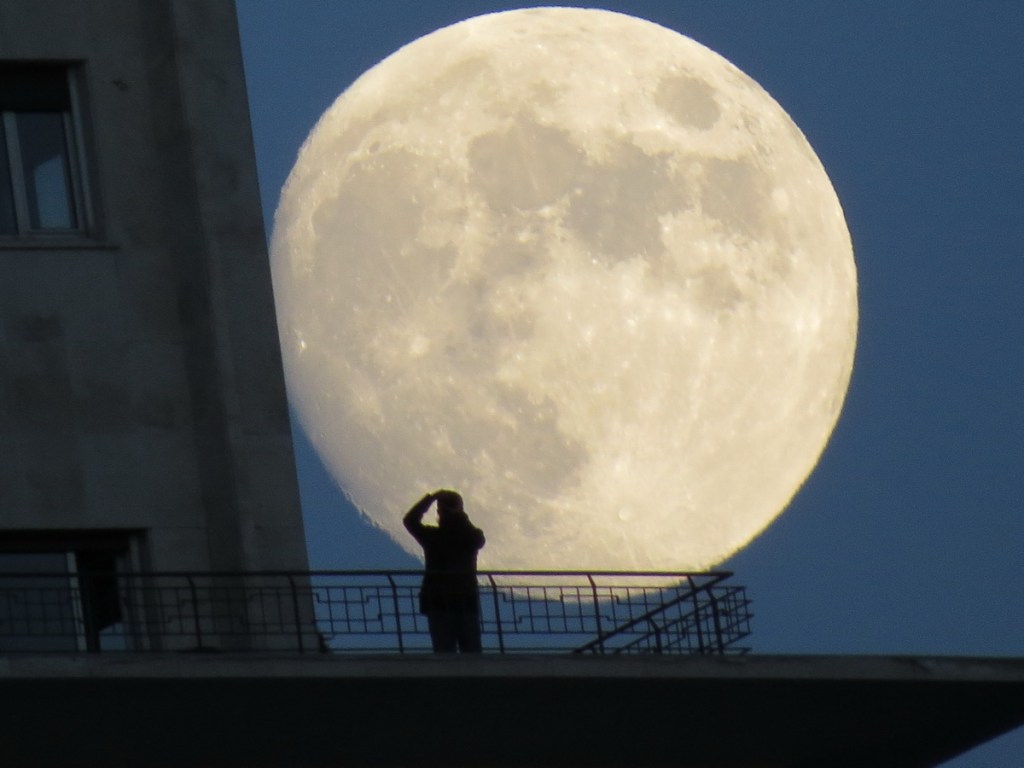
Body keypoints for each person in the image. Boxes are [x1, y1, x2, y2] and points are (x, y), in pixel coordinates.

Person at [403, 490, 486, 653]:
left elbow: (410, 521)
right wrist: (458, 513)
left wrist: (430, 499)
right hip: (461, 600)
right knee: (470, 656)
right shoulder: (464, 535)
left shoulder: (435, 536)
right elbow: (409, 522)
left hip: (445, 601)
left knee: (447, 654)